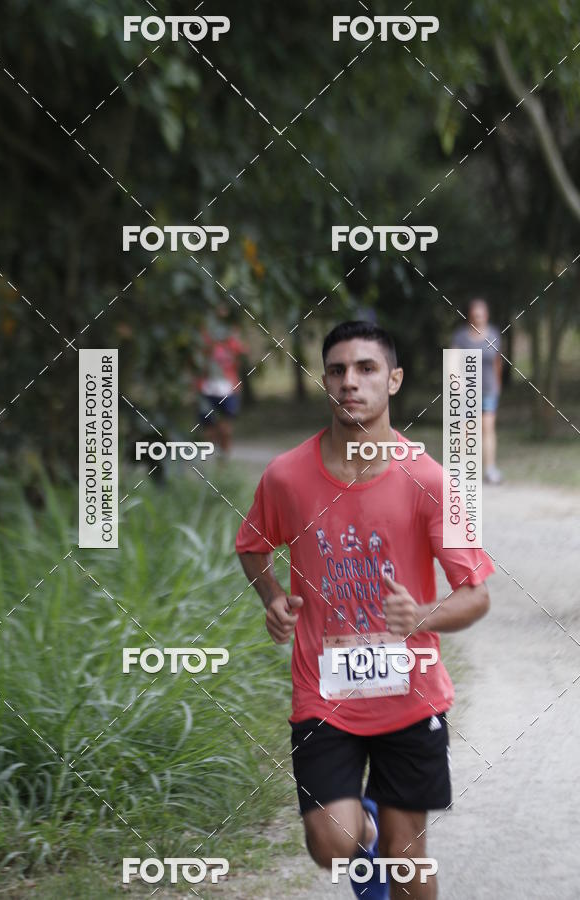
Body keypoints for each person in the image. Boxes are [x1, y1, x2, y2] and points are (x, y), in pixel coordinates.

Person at [235, 320, 495, 899]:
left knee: (410, 862)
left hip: (410, 694)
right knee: (331, 844)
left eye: (366, 368)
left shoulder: (431, 480)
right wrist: (273, 598)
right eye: (337, 370)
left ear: (394, 380)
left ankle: (388, 842)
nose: (349, 382)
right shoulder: (287, 477)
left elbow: (476, 593)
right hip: (324, 694)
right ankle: (367, 831)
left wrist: (421, 617)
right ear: (325, 380)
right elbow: (252, 545)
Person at [452, 298, 503, 484]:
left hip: (489, 389)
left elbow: (497, 362)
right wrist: (457, 382)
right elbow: (453, 362)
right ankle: (461, 470)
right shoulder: (461, 337)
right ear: (470, 316)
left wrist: (498, 385)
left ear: (486, 315)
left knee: (488, 428)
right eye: (475, 315)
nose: (478, 317)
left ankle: (490, 469)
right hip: (468, 392)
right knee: (465, 431)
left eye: (481, 314)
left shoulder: (494, 334)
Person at [195, 304, 248, 459]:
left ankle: (224, 461)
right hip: (207, 389)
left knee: (226, 429)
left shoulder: (233, 335)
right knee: (209, 431)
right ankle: (211, 461)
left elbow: (242, 353)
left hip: (228, 388)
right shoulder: (204, 335)